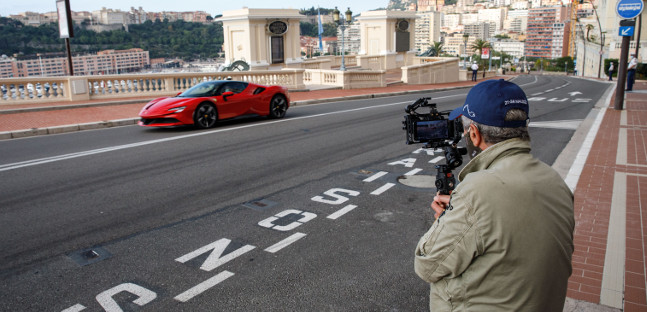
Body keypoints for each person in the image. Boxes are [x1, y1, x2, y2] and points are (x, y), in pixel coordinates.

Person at [414, 79, 575, 311]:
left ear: (475, 134)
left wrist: (445, 220)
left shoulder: (477, 191)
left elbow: (427, 266)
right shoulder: (555, 182)